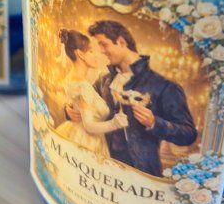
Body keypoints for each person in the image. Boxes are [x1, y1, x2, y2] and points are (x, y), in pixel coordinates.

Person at [64, 20, 197, 176]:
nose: (102, 51)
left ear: (121, 42)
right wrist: (69, 110)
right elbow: (84, 103)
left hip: (141, 175)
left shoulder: (163, 87)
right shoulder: (103, 81)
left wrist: (154, 122)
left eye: (104, 45)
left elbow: (188, 134)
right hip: (103, 169)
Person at [53, 30, 129, 160]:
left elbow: (83, 103)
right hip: (87, 142)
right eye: (91, 51)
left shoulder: (74, 79)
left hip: (121, 151)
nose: (97, 55)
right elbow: (88, 124)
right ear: (80, 54)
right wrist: (115, 123)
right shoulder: (88, 84)